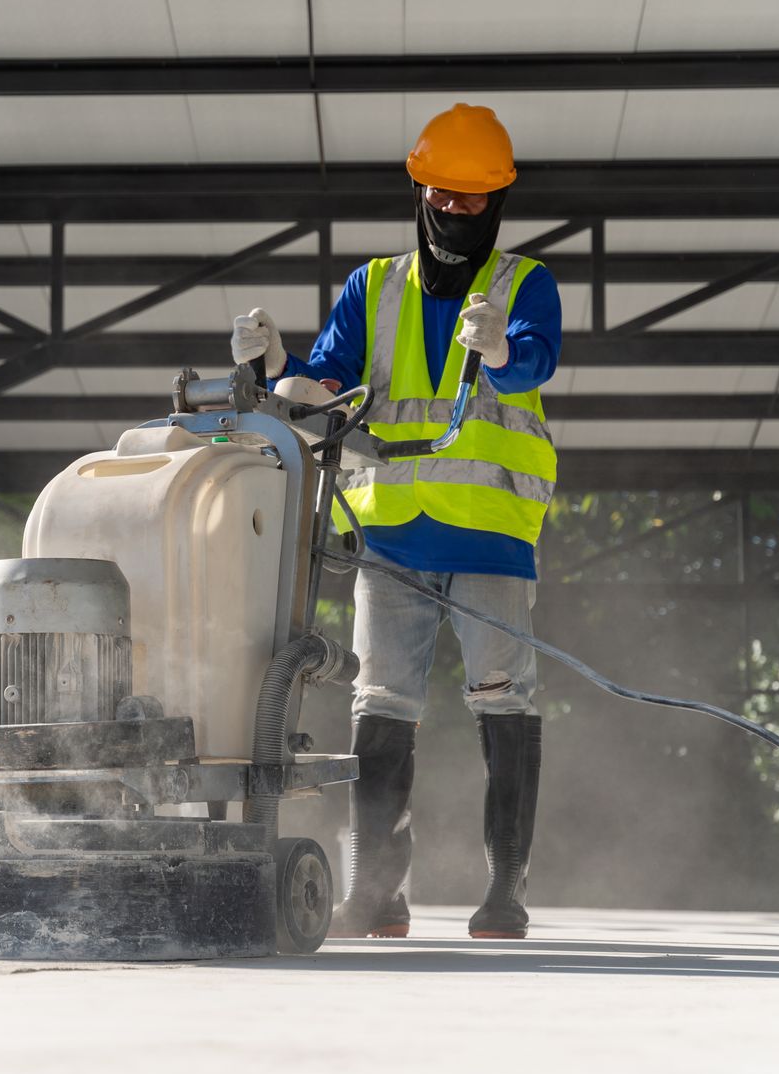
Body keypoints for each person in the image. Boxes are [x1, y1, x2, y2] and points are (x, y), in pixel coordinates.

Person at [230, 104, 561, 939]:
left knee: (505, 703)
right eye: (442, 197)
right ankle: (374, 892)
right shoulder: (371, 286)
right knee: (381, 709)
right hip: (394, 537)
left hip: (489, 531)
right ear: (419, 191)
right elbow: (328, 386)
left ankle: (505, 893)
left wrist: (502, 351)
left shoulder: (525, 284)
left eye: (472, 201)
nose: (455, 214)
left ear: (497, 203)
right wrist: (279, 368)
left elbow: (537, 358)